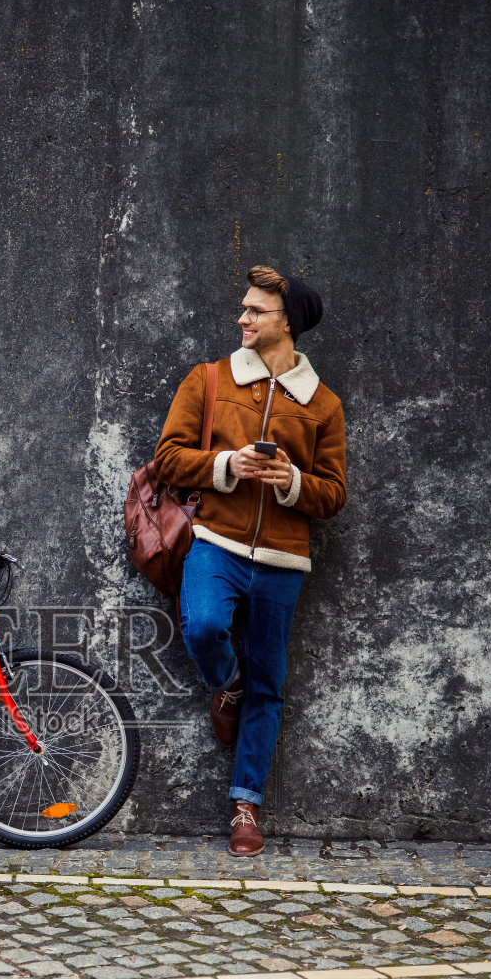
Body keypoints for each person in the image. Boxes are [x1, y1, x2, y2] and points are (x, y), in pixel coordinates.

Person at [154, 265, 347, 856]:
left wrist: (292, 481)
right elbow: (167, 457)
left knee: (271, 683)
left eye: (255, 311)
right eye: (244, 309)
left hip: (285, 559)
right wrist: (225, 466)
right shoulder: (209, 380)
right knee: (206, 626)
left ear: (286, 322)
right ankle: (224, 684)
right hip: (217, 541)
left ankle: (246, 804)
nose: (242, 318)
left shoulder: (323, 405)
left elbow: (333, 494)